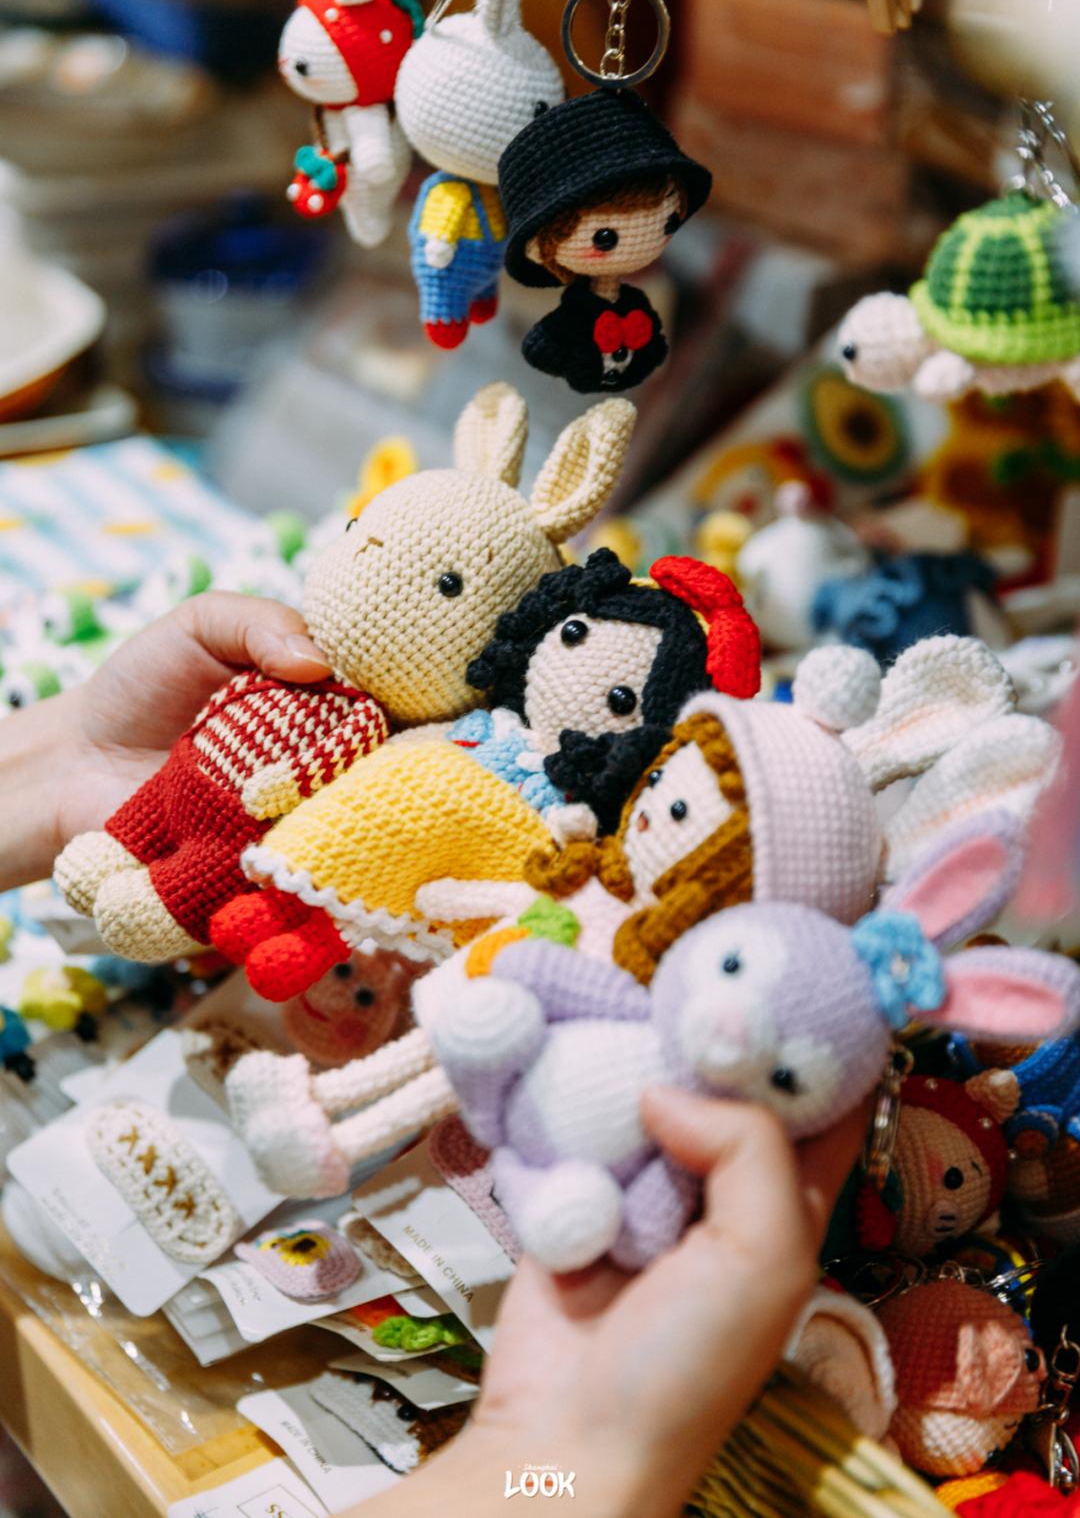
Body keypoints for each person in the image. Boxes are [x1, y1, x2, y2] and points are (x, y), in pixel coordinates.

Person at [0, 592, 863, 1517]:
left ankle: (343, 1132)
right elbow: (543, 1489)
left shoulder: (655, 988)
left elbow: (542, 1485)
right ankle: (319, 1125)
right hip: (485, 1024)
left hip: (539, 1131)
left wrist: (575, 1454)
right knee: (433, 1058)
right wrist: (587, 1456)